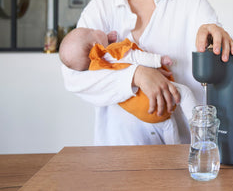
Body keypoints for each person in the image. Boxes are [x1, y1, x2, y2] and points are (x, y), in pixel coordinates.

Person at [61, 0, 233, 146]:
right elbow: (74, 78)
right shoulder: (100, 9)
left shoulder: (192, 3)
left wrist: (218, 36)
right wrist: (135, 75)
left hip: (183, 152)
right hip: (118, 151)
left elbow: (221, 49)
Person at [59, 27, 199, 144]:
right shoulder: (113, 51)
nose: (95, 28)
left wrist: (107, 39)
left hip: (146, 113)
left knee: (167, 124)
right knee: (184, 93)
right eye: (92, 30)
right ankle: (200, 130)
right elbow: (134, 56)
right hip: (152, 98)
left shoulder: (97, 66)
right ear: (96, 44)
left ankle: (175, 156)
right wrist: (159, 60)